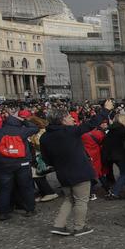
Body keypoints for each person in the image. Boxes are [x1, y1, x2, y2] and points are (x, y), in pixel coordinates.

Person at [39, 100, 113, 236]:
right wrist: (106, 110)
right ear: (62, 120)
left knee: (69, 199)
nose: (72, 118)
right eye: (68, 117)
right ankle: (79, 227)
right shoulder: (70, 132)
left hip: (62, 173)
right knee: (81, 200)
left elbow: (46, 158)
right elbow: (91, 123)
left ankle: (59, 225)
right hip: (80, 171)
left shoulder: (44, 137)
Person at [0, 111, 39, 220]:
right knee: (26, 187)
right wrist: (25, 121)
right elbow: (35, 127)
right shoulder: (22, 131)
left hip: (3, 164)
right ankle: (30, 209)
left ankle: (3, 212)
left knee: (4, 189)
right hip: (22, 163)